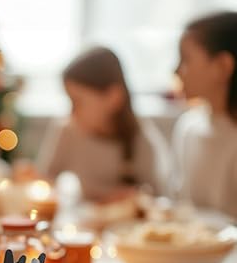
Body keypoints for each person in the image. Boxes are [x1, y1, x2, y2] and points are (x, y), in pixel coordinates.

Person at [37, 47, 169, 202]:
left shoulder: (141, 138)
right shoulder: (67, 130)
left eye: (77, 101)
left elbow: (158, 197)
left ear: (113, 97)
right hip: (82, 215)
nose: (71, 112)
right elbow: (45, 180)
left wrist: (136, 196)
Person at [172, 11, 237, 217]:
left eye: (185, 59)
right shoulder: (188, 128)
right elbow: (182, 207)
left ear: (223, 66)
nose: (176, 71)